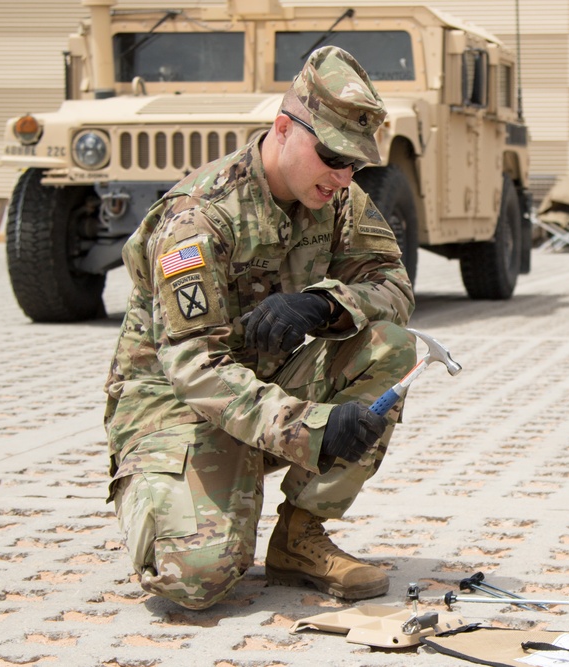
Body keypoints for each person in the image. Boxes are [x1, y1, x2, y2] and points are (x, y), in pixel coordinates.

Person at [103, 46, 416, 610]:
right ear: (282, 128)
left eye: (355, 163)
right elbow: (196, 369)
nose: (343, 175)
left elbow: (395, 287)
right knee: (195, 581)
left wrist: (326, 305)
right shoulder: (199, 218)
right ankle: (176, 481)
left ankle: (301, 535)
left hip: (263, 388)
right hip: (176, 403)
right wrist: (309, 429)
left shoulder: (338, 198)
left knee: (389, 347)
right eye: (331, 155)